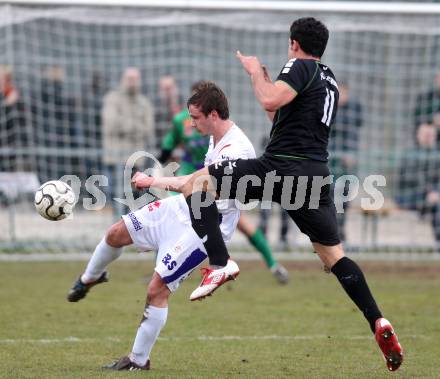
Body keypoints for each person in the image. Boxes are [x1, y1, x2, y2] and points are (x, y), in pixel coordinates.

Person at [132, 18, 403, 371]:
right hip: (316, 176)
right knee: (334, 258)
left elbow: (270, 97)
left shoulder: (300, 65)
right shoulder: (331, 80)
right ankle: (377, 320)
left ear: (294, 44)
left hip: (279, 168)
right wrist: (268, 86)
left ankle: (220, 263)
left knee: (198, 183)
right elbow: (276, 110)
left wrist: (254, 72)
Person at [67, 82, 257, 371]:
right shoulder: (216, 137)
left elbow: (193, 184)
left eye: (195, 118)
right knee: (116, 233)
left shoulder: (237, 149)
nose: (191, 125)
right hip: (183, 208)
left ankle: (137, 360)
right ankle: (91, 277)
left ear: (214, 114)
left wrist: (151, 181)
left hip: (204, 228)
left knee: (157, 290)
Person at [160, 81, 288, 283]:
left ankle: (273, 265)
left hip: (216, 179)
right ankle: (165, 269)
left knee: (242, 225)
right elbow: (167, 147)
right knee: (171, 220)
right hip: (188, 174)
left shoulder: (222, 128)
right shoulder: (181, 121)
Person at [101, 67, 155, 216]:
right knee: (116, 197)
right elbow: (111, 124)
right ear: (122, 80)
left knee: (133, 200)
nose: (132, 82)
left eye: (135, 79)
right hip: (115, 158)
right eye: (129, 79)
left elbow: (148, 129)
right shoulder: (112, 98)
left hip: (136, 160)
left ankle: (131, 232)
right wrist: (135, 126)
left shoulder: (144, 103)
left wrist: (125, 124)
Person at [395, 123, 440, 251]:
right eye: (426, 135)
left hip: (432, 199)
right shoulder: (409, 155)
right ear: (418, 136)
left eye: (431, 135)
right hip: (408, 196)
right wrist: (429, 193)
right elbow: (410, 179)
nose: (428, 138)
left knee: (437, 205)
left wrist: (436, 192)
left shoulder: (437, 155)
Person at [328, 82, 363, 241]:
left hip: (347, 160)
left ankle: (341, 228)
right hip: (331, 160)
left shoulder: (354, 109)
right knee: (329, 192)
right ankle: (331, 228)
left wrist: (351, 153)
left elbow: (356, 129)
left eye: (344, 93)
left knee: (345, 195)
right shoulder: (329, 108)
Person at [414, 72, 440, 144]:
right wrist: (433, 121)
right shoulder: (426, 97)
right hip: (433, 136)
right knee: (426, 130)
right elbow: (418, 118)